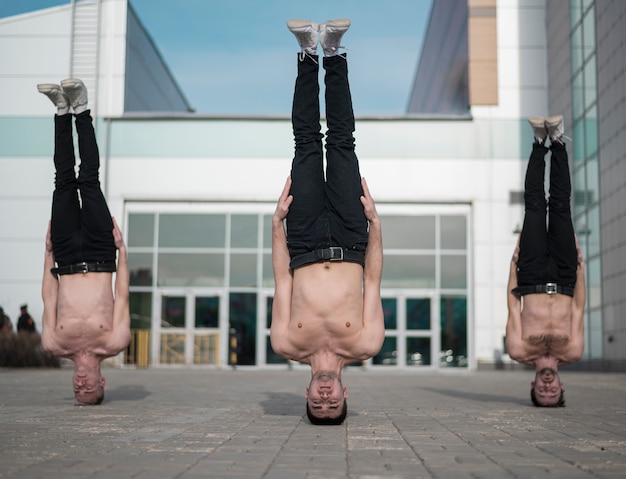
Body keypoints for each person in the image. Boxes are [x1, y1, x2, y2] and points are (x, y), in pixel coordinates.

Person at [271, 19, 384, 425]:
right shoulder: (366, 342)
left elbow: (283, 280)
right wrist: (375, 224)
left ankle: (306, 54)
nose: (324, 398)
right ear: (344, 393)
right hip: (353, 237)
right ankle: (333, 54)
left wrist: (276, 226)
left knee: (305, 142)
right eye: (332, 404)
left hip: (300, 241)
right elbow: (372, 280)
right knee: (340, 142)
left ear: (305, 394)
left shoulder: (285, 343)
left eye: (316, 405)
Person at [37, 78, 130, 405]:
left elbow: (49, 295)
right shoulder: (115, 341)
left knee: (63, 182)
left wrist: (48, 255)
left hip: (63, 258)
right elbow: (122, 293)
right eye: (89, 388)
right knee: (88, 180)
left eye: (78, 391)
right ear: (102, 380)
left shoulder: (54, 344)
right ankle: (82, 108)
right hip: (102, 253)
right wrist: (121, 250)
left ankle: (61, 111)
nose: (81, 385)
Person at [506, 115, 586, 407]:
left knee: (536, 206)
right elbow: (578, 307)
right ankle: (558, 141)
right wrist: (581, 267)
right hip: (566, 276)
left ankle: (539, 142)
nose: (548, 388)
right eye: (553, 393)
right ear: (562, 386)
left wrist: (513, 266)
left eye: (542, 392)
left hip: (529, 276)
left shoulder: (519, 350)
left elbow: (513, 306)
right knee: (561, 206)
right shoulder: (574, 350)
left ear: (533, 385)